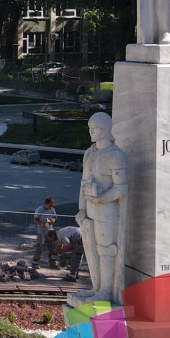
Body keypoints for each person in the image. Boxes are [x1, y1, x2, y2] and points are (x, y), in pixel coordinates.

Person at [75, 112, 128, 304]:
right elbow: (83, 184)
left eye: (94, 128)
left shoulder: (116, 155)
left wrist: (101, 199)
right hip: (89, 211)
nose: (91, 131)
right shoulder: (89, 153)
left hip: (106, 213)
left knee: (105, 250)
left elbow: (121, 188)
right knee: (91, 249)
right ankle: (96, 287)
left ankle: (106, 291)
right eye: (90, 128)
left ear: (105, 130)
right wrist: (81, 208)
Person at [33, 197, 58, 268]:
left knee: (52, 247)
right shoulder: (39, 210)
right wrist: (40, 224)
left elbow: (55, 217)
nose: (51, 207)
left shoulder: (52, 209)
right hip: (41, 232)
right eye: (49, 205)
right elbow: (35, 219)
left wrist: (53, 220)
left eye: (52, 205)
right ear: (45, 204)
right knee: (39, 247)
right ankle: (35, 263)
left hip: (50, 231)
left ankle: (53, 263)